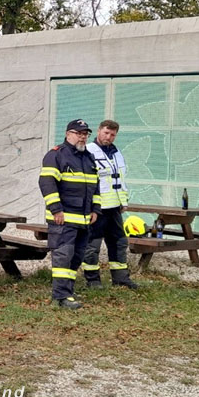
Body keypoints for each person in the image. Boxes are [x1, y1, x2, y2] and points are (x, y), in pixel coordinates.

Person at [39, 119, 101, 309]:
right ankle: (60, 297)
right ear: (68, 134)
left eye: (85, 134)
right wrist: (56, 209)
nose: (82, 137)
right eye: (78, 133)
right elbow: (47, 183)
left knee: (76, 257)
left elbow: (95, 187)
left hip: (83, 220)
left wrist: (95, 210)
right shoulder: (56, 155)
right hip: (63, 219)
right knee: (63, 257)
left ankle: (68, 291)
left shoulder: (88, 158)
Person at [81, 120, 138, 289]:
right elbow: (88, 182)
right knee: (92, 245)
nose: (109, 137)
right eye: (106, 133)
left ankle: (121, 278)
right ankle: (92, 281)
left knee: (119, 242)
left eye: (113, 135)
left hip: (114, 208)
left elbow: (120, 179)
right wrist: (91, 207)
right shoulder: (89, 151)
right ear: (99, 131)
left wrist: (123, 202)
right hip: (97, 208)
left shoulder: (116, 152)